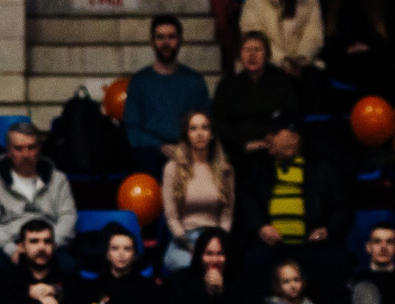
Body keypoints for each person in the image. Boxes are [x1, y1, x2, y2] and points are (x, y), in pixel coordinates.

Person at [233, 115, 348, 302]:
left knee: (335, 263)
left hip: (310, 245)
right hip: (272, 245)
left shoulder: (322, 167)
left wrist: (328, 230)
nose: (268, 138)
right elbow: (247, 201)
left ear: (294, 136)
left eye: (274, 133)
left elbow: (341, 208)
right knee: (251, 264)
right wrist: (261, 226)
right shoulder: (259, 165)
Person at [0, 122, 77, 266]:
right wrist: (10, 248)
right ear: (8, 151)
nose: (26, 154)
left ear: (39, 149)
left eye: (31, 148)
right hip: (9, 243)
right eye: (18, 149)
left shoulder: (58, 179)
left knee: (69, 267)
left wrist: (49, 244)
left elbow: (68, 216)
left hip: (49, 242)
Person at [123, 15, 213, 164]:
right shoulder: (139, 82)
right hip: (151, 152)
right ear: (152, 42)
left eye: (171, 37)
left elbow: (207, 122)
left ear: (180, 40)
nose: (166, 42)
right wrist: (159, 146)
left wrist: (187, 146)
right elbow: (132, 128)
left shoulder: (195, 81)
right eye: (160, 37)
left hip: (189, 150)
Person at [161, 110, 234, 271]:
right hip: (185, 239)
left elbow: (227, 214)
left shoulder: (225, 169)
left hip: (215, 239)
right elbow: (171, 216)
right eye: (193, 129)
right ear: (186, 135)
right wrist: (190, 246)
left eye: (204, 128)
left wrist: (217, 243)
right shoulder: (172, 169)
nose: (199, 133)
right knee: (188, 267)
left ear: (212, 134)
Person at [236, 0, 322, 81]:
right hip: (268, 62)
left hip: (301, 63)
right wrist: (282, 61)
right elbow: (254, 34)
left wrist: (299, 60)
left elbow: (314, 33)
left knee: (314, 80)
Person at [77, 227, 167, 304]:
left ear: (135, 255)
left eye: (127, 249)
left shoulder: (148, 286)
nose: (121, 254)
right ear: (107, 254)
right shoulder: (95, 287)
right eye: (115, 248)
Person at [210, 31, 299, 154]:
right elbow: (220, 124)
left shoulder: (282, 84)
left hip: (274, 150)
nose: (252, 55)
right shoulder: (227, 86)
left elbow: (292, 117)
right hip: (238, 150)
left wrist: (274, 139)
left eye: (258, 50)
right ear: (240, 54)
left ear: (267, 54)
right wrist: (244, 145)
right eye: (247, 50)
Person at [323, 0, 395, 96]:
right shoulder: (330, 1)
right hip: (342, 59)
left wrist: (368, 47)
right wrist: (348, 48)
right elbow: (327, 40)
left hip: (373, 59)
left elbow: (390, 38)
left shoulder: (383, 2)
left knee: (384, 67)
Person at [166, 227, 244, 304]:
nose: (214, 260)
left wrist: (221, 291)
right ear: (199, 254)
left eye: (220, 254)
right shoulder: (181, 278)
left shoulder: (239, 280)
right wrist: (206, 290)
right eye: (209, 253)